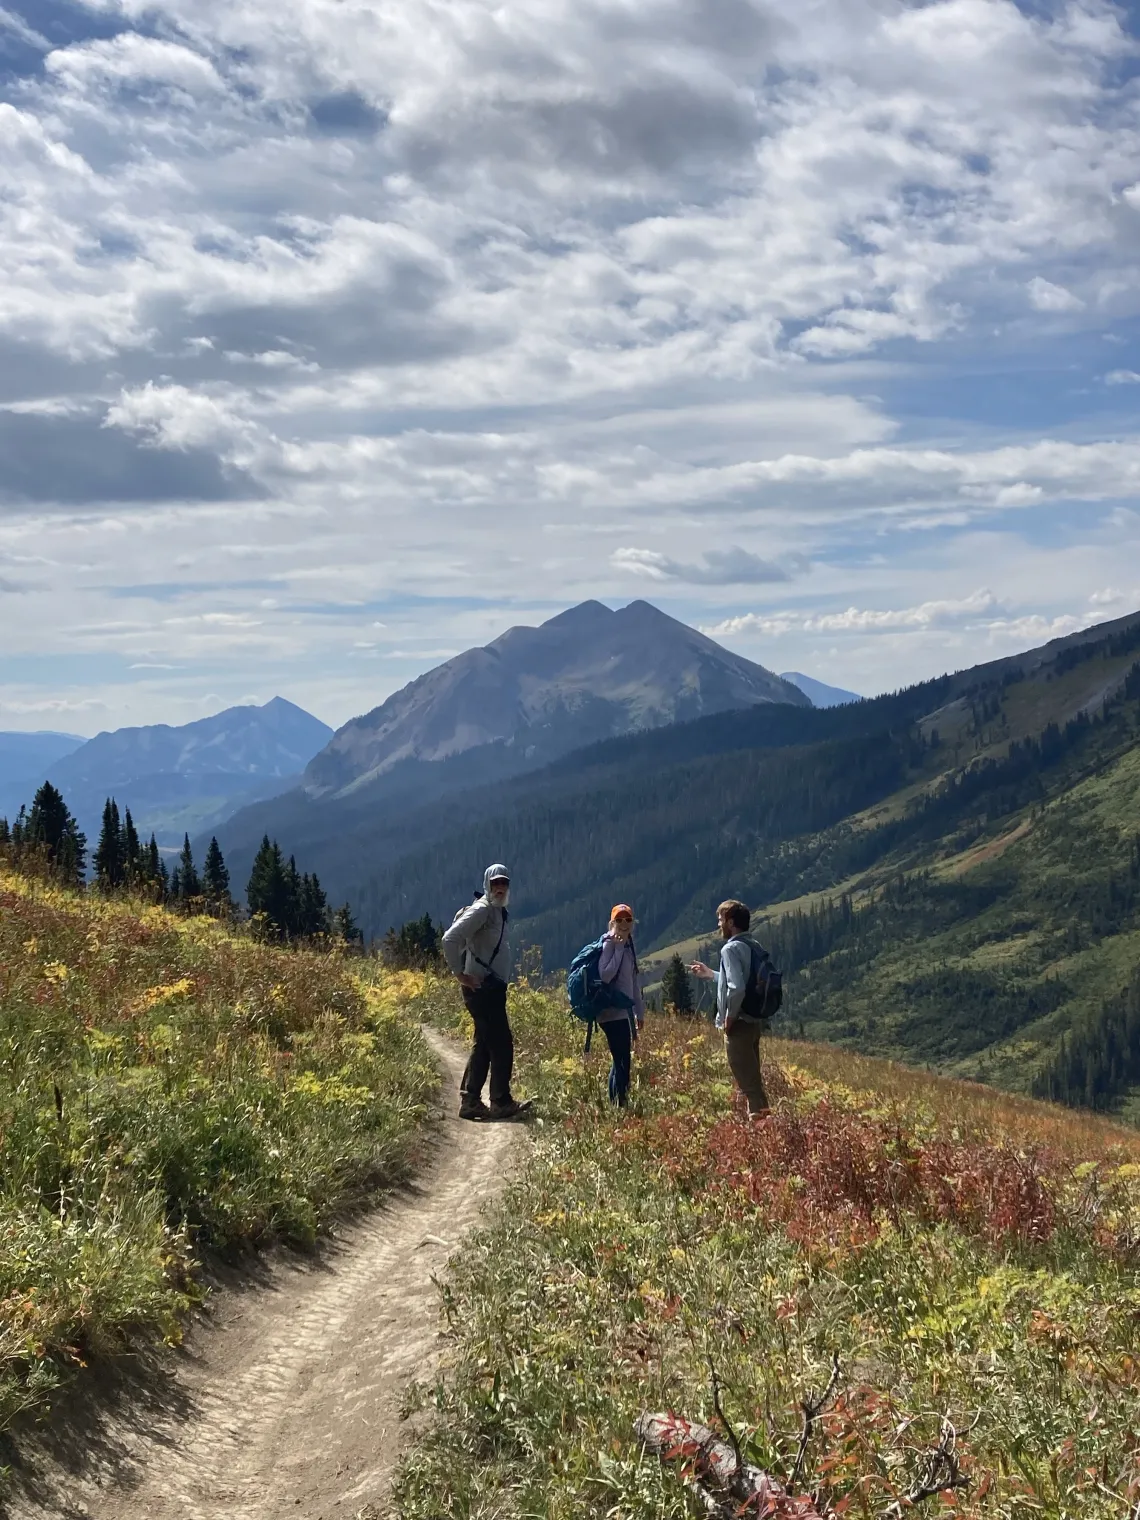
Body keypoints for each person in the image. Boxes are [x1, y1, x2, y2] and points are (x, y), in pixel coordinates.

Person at [441, 864, 531, 1122]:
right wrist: (459, 973)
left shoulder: (496, 911)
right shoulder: (482, 909)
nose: (500, 888)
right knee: (501, 1044)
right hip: (482, 989)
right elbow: (449, 939)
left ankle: (470, 1102)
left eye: (504, 883)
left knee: (484, 1044)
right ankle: (500, 1101)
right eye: (495, 883)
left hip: (490, 987)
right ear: (487, 885)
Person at [690, 899, 771, 1117]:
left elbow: (736, 989)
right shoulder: (753, 945)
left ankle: (762, 1131)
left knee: (749, 1084)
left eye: (720, 920)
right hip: (754, 1022)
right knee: (753, 1079)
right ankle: (764, 1127)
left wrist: (729, 1018)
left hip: (739, 1024)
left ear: (731, 922)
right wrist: (712, 975)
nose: (718, 925)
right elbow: (741, 980)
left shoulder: (730, 949)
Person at [596, 904, 646, 1105]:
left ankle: (616, 1102)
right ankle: (620, 1104)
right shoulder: (610, 943)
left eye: (628, 920)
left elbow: (633, 982)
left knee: (621, 1059)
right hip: (610, 1012)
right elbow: (606, 975)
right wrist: (617, 949)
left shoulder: (628, 944)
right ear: (612, 923)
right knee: (622, 1059)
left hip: (623, 1012)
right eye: (619, 920)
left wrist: (639, 1013)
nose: (624, 924)